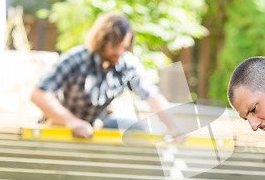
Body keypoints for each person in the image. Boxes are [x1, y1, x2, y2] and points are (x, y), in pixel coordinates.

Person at [30, 12, 181, 138]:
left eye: (124, 47)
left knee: (138, 129)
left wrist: (173, 127)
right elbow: (39, 94)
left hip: (93, 128)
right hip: (60, 125)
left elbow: (152, 96)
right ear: (101, 41)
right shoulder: (77, 59)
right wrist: (72, 122)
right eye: (115, 46)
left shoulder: (127, 64)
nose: (120, 52)